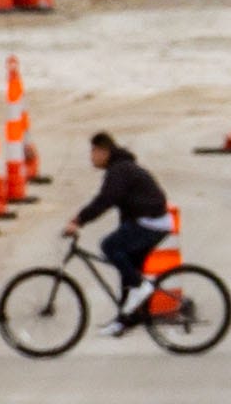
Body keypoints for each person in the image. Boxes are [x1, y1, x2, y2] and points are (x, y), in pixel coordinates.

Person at [66, 130, 173, 328]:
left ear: (104, 151)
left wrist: (79, 220)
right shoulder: (121, 168)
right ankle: (126, 319)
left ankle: (141, 288)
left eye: (93, 152)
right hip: (150, 221)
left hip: (151, 222)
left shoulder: (119, 170)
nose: (91, 157)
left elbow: (105, 200)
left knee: (109, 246)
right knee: (127, 269)